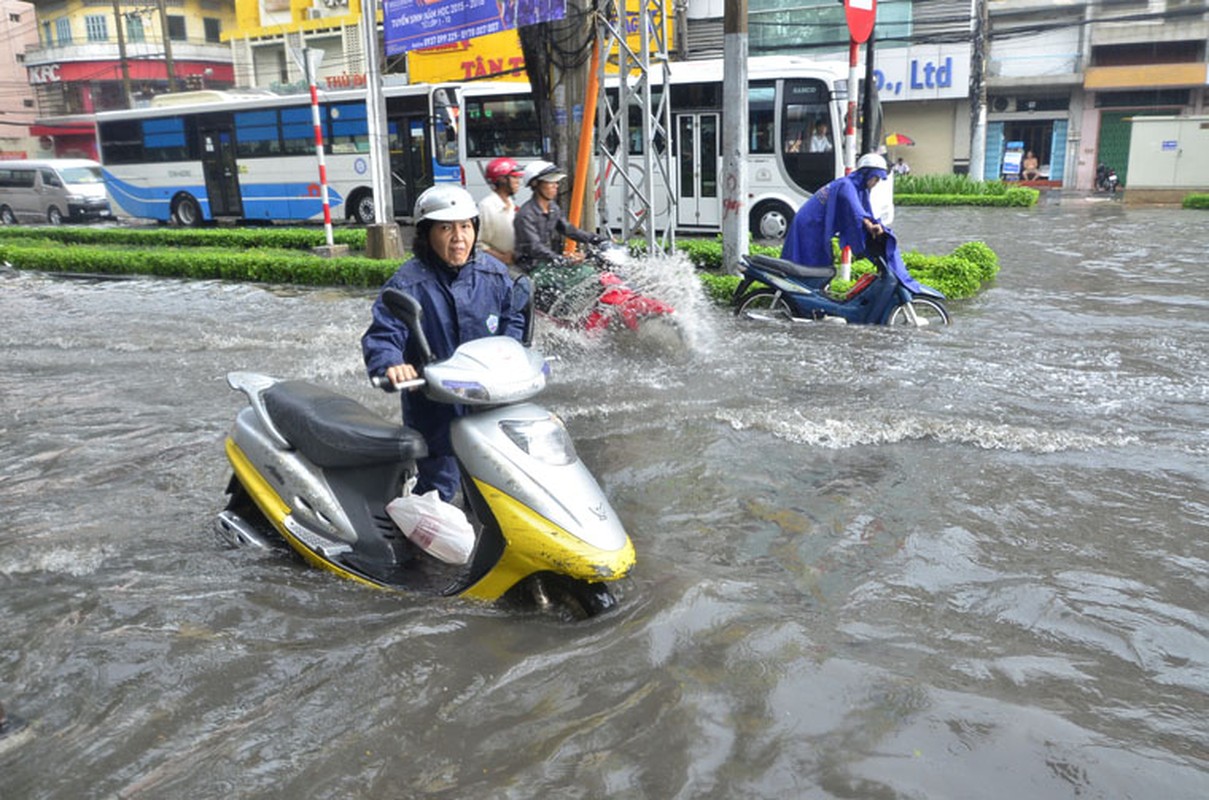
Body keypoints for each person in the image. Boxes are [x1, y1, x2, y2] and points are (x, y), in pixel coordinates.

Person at [362, 185, 527, 503]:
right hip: (435, 411)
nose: (458, 238)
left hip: (490, 405)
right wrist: (392, 364)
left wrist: (516, 352)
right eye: (446, 228)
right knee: (440, 494)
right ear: (426, 234)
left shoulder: (493, 274)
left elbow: (513, 320)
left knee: (498, 490)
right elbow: (384, 334)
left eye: (465, 226)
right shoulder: (407, 284)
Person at [780, 152, 889, 270]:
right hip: (809, 225)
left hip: (816, 225)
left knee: (819, 262)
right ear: (866, 174)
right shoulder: (846, 185)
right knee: (810, 265)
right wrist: (870, 226)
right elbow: (856, 211)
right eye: (876, 178)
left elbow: (865, 211)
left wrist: (873, 223)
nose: (876, 183)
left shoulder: (860, 189)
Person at [477, 156, 524, 266]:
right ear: (502, 179)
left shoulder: (510, 204)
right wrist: (501, 258)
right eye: (514, 177)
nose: (518, 182)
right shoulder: (487, 207)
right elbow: (478, 243)